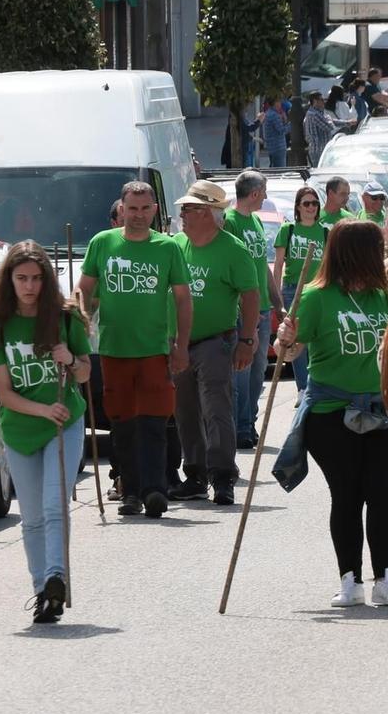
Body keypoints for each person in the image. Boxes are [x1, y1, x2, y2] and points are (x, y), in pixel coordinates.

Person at [274, 220, 388, 608]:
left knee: (383, 494)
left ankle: (386, 578)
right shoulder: (315, 297)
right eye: (376, 250)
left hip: (383, 411)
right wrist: (286, 338)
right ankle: (350, 579)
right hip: (330, 412)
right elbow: (293, 351)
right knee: (347, 495)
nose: (383, 256)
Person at [0, 242, 90, 623]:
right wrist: (43, 408)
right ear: (9, 280)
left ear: (47, 280)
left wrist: (71, 359)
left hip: (65, 424)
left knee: (55, 505)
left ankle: (56, 578)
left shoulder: (65, 318)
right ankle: (42, 590)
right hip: (22, 430)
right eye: (21, 278)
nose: (29, 286)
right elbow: (5, 394)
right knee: (32, 517)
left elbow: (86, 373)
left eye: (37, 278)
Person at [77, 182, 191, 519]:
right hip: (113, 350)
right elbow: (83, 291)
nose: (139, 215)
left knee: (155, 422)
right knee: (122, 423)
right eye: (132, 208)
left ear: (155, 210)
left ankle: (155, 489)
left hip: (155, 350)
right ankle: (129, 491)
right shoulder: (103, 243)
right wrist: (78, 333)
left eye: (145, 209)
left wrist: (181, 345)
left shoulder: (167, 247)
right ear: (121, 210)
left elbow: (183, 299)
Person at [169, 180, 262, 506]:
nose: (182, 214)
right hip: (179, 343)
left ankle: (222, 476)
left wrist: (248, 340)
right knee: (186, 410)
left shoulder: (233, 249)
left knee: (216, 409)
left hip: (215, 342)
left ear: (208, 213)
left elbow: (251, 297)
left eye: (189, 209)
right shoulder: (176, 245)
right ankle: (195, 475)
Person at [224, 170, 281, 450]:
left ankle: (249, 423)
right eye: (265, 192)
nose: (266, 197)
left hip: (263, 309)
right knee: (241, 373)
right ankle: (239, 428)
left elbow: (262, 267)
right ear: (255, 193)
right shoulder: (230, 223)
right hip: (243, 313)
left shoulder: (256, 221)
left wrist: (277, 302)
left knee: (258, 372)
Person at [273, 186, 330, 392]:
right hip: (292, 290)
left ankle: (316, 384)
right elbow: (279, 264)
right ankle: (302, 389)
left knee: (316, 337)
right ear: (298, 206)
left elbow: (329, 264)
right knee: (295, 339)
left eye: (315, 203)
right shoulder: (287, 230)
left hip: (318, 291)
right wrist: (277, 295)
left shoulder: (325, 232)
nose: (311, 207)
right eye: (306, 203)